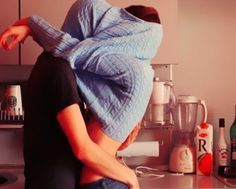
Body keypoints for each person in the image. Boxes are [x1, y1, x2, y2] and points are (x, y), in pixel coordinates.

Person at [0, 0, 162, 189]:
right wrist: (129, 176)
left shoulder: (67, 71)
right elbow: (83, 148)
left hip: (87, 177)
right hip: (80, 179)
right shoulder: (58, 70)